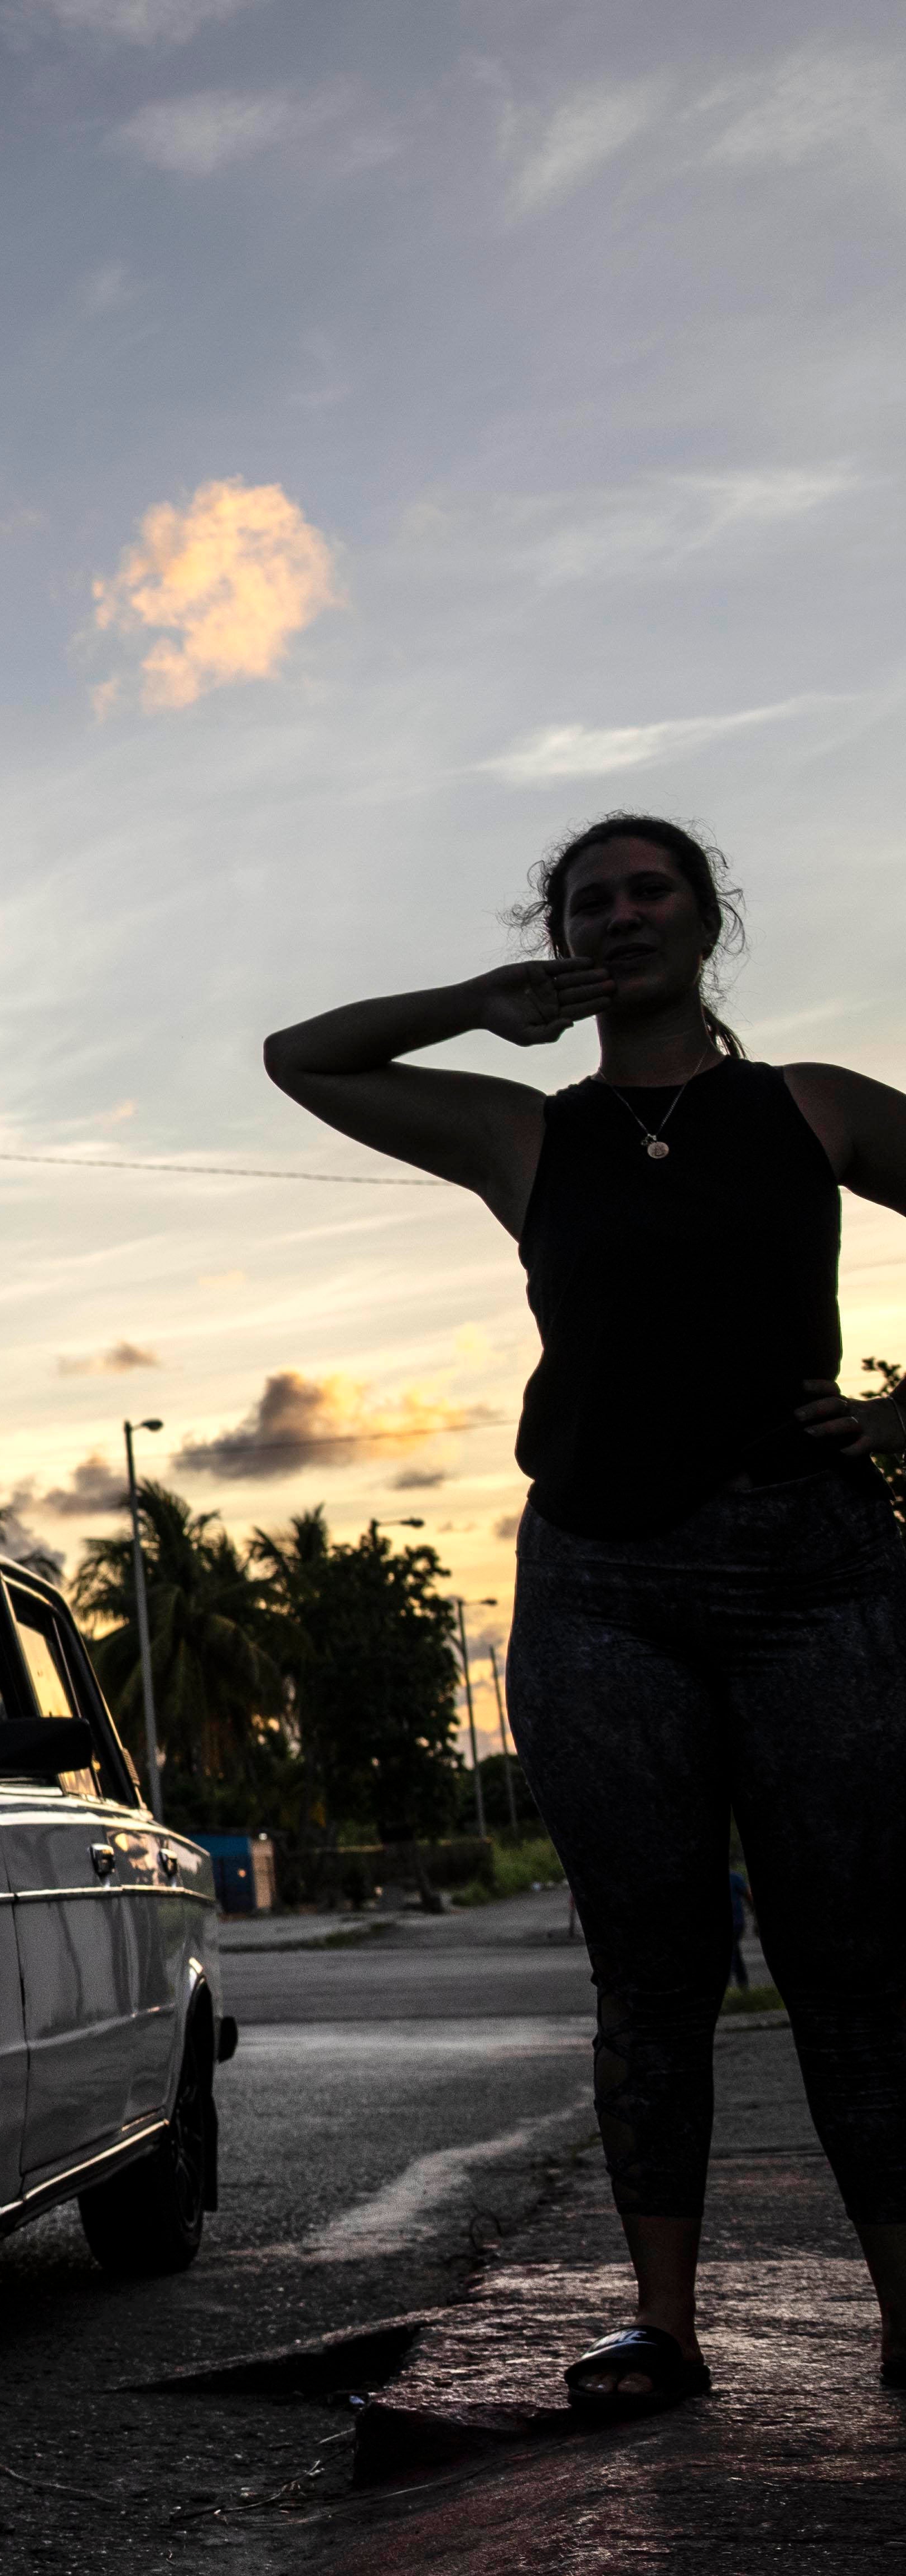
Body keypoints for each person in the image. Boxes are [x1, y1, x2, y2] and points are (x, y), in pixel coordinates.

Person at [268, 814, 906, 2411]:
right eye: (591, 900)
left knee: (855, 1960)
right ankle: (667, 2329)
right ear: (564, 935)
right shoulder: (526, 1135)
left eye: (650, 891)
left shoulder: (810, 1109)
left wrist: (905, 1424)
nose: (623, 916)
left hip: (816, 1574)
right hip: (603, 1585)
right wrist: (481, 1002)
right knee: (653, 1969)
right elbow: (305, 1056)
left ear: (708, 920)